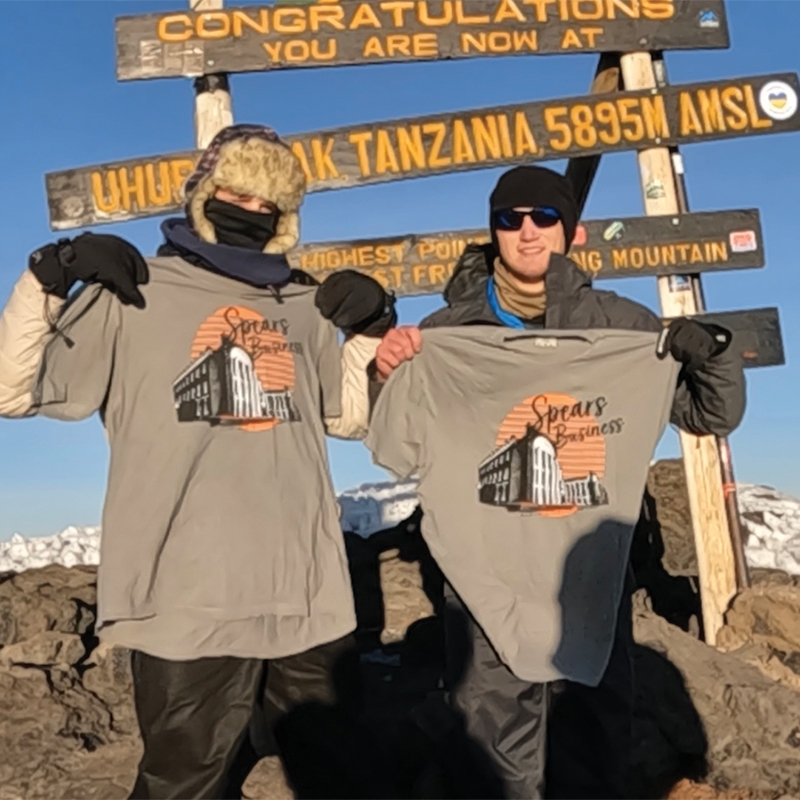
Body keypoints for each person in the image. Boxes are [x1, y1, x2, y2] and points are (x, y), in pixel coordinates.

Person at [0, 124, 395, 799]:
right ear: (203, 194)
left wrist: (368, 332)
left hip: (307, 596)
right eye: (234, 189)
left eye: (269, 197)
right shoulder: (136, 290)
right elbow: (14, 389)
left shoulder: (301, 305)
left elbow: (348, 417)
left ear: (287, 214)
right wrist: (47, 277)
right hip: (185, 604)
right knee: (184, 785)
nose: (250, 206)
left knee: (340, 778)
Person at [371, 165, 745, 799]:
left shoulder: (623, 328)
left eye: (544, 217)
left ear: (571, 231)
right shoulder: (444, 336)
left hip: (588, 583)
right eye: (509, 218)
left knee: (592, 751)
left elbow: (712, 414)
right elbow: (395, 447)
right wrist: (388, 375)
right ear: (493, 232)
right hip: (482, 581)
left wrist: (712, 352)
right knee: (490, 760)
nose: (527, 231)